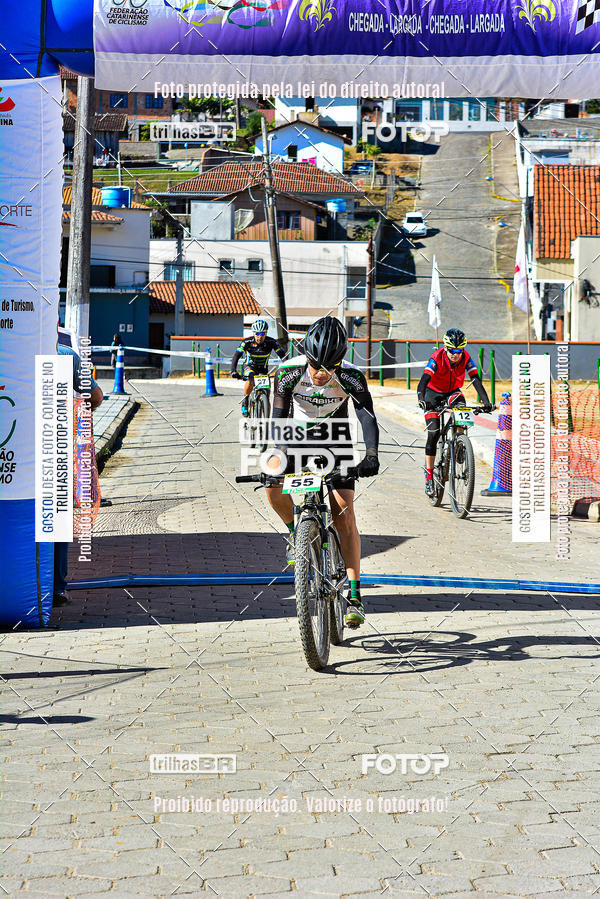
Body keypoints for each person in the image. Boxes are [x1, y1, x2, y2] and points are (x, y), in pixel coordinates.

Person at [264, 316, 380, 629]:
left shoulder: (352, 376)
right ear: (307, 358)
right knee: (271, 486)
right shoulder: (288, 373)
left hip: (336, 438)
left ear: (340, 361)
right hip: (297, 437)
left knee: (343, 511)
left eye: (329, 367)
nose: (321, 373)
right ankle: (295, 531)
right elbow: (278, 420)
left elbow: (367, 417)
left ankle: (355, 596)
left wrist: (370, 454)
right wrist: (275, 457)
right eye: (316, 365)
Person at [53, 343, 104, 607]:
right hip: (55, 450)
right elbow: (96, 397)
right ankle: (56, 588)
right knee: (56, 517)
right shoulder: (65, 355)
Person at [417, 328, 492, 497]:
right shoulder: (436, 358)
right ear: (445, 348)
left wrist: (486, 402)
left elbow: (475, 379)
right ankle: (429, 476)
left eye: (459, 351)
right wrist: (422, 398)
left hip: (452, 392)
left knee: (462, 412)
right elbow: (423, 381)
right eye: (452, 350)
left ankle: (460, 444)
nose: (456, 354)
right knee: (434, 432)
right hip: (432, 393)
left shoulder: (465, 358)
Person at [230, 319, 287, 416]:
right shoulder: (247, 341)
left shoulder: (271, 342)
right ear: (253, 333)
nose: (259, 337)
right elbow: (236, 356)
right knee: (251, 379)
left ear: (266, 333)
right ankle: (245, 402)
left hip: (263, 369)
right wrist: (233, 371)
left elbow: (282, 356)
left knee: (267, 394)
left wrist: (288, 368)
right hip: (249, 366)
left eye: (262, 334)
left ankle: (266, 419)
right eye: (257, 334)